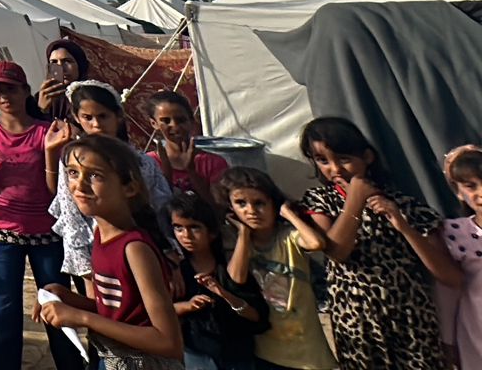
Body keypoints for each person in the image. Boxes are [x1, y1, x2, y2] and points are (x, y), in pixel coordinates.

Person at [298, 116, 459, 370]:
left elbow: (450, 276)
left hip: (412, 322)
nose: (335, 169)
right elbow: (337, 252)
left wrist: (403, 225)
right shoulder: (320, 202)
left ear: (367, 157)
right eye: (323, 160)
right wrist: (355, 199)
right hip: (358, 326)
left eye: (344, 158)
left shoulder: (404, 204)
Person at [46, 79, 179, 370]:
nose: (79, 185)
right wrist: (68, 299)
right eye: (72, 173)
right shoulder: (101, 239)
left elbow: (167, 341)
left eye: (95, 175)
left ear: (130, 187)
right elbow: (118, 311)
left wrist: (82, 317)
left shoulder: (134, 249)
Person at [0, 59, 62, 370]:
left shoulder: (47, 131)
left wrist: (52, 149)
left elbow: (56, 189)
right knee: (4, 310)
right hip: (3, 234)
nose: (4, 96)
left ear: (25, 90)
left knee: (56, 307)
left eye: (11, 89)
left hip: (47, 233)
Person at [218, 166, 335, 370]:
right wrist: (243, 234)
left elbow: (316, 243)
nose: (251, 211)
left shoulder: (288, 237)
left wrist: (289, 214)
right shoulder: (238, 244)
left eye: (259, 203)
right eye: (241, 203)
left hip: (304, 346)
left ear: (274, 204)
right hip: (266, 346)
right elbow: (236, 278)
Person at [169, 191, 268, 370]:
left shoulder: (230, 267)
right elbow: (160, 311)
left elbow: (256, 316)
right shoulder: (177, 272)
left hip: (237, 356)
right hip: (197, 356)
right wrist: (188, 306)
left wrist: (224, 294)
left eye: (195, 227)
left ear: (212, 232)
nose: (186, 235)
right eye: (179, 228)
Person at [436, 145, 482, 370]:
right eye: (470, 186)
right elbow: (448, 291)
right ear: (458, 191)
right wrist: (447, 341)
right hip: (476, 331)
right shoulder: (455, 232)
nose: (481, 192)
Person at [148, 92, 228, 203]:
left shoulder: (213, 163)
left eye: (181, 120)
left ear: (191, 121)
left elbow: (218, 207)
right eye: (166, 121)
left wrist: (192, 171)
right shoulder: (149, 163)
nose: (175, 126)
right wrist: (167, 173)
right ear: (154, 123)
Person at [39, 39, 92, 125]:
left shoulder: (94, 94)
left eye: (67, 61)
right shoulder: (42, 97)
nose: (61, 68)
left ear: (80, 65)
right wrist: (42, 110)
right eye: (54, 62)